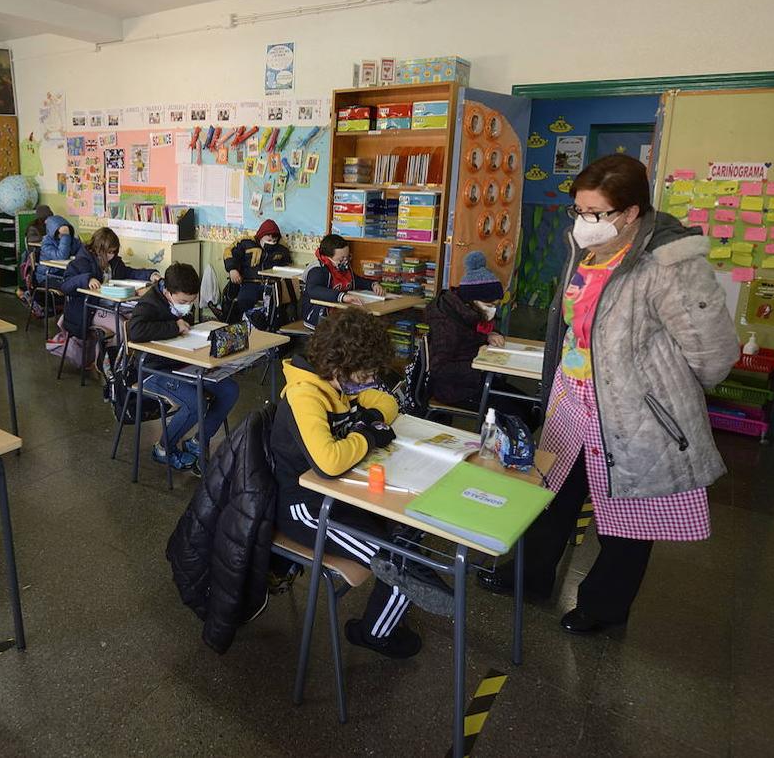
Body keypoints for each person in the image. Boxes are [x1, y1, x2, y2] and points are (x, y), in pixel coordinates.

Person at [477, 155, 739, 634]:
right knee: (549, 495)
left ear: (631, 213)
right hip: (571, 399)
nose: (584, 223)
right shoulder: (587, 250)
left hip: (632, 411)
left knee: (629, 518)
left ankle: (602, 608)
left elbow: (714, 353)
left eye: (595, 213)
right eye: (578, 210)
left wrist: (655, 386)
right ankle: (528, 577)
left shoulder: (669, 264)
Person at [270, 309, 421, 658]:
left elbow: (386, 402)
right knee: (397, 561)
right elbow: (329, 462)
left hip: (336, 496)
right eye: (364, 375)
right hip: (303, 507)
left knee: (411, 530)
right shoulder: (306, 393)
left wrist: (367, 418)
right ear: (339, 368)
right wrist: (367, 436)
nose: (368, 383)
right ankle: (375, 633)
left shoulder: (340, 386)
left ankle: (407, 590)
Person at [127, 262, 239, 475]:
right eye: (183, 301)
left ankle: (198, 441)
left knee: (229, 389)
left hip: (183, 363)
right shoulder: (149, 303)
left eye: (192, 301)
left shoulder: (181, 300)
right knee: (195, 402)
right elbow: (135, 331)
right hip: (153, 369)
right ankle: (163, 449)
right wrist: (174, 326)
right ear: (167, 292)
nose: (188, 306)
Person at [423, 250, 538, 425]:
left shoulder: (469, 313)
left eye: (495, 305)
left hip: (475, 379)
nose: (492, 310)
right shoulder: (447, 325)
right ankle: (506, 449)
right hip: (454, 389)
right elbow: (439, 368)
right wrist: (479, 365)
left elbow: (478, 331)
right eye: (488, 305)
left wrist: (491, 334)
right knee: (520, 417)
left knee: (531, 407)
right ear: (471, 301)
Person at [59, 227, 158, 341]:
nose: (111, 255)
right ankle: (114, 357)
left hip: (112, 306)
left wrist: (151, 275)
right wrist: (87, 279)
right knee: (122, 327)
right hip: (89, 310)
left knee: (139, 321)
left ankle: (120, 355)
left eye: (114, 252)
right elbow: (65, 285)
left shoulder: (114, 262)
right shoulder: (82, 261)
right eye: (109, 252)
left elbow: (129, 272)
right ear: (97, 249)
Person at [300, 233, 384, 327]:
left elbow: (355, 281)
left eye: (347, 257)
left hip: (340, 314)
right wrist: (342, 296)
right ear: (328, 257)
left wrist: (373, 284)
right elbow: (314, 290)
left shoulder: (343, 267)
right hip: (318, 317)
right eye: (341, 259)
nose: (345, 261)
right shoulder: (317, 270)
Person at [223, 218, 292, 322]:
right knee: (244, 300)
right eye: (268, 239)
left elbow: (287, 265)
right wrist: (232, 269)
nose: (272, 241)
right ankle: (245, 322)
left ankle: (269, 328)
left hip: (272, 284)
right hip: (250, 282)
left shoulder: (281, 249)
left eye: (274, 239)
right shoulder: (246, 243)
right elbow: (229, 253)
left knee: (278, 304)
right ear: (260, 236)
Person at [34, 215, 80, 285]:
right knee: (72, 286)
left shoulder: (72, 239)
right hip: (48, 276)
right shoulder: (46, 243)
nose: (62, 234)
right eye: (59, 232)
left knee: (80, 282)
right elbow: (61, 256)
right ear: (54, 231)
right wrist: (65, 236)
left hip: (63, 273)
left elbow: (82, 251)